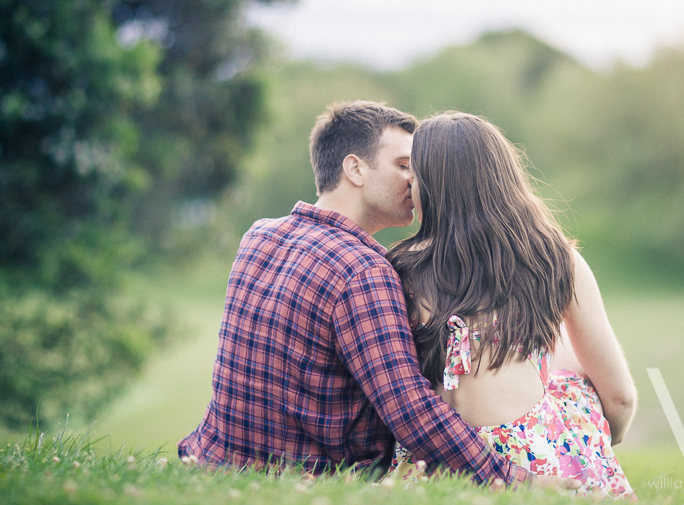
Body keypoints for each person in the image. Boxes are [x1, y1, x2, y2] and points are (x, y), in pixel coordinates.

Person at [177, 101, 577, 489]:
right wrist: (514, 481)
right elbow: (410, 409)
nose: (414, 181)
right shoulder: (363, 270)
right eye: (403, 166)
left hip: (215, 461)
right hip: (311, 482)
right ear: (355, 168)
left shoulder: (260, 233)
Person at [386, 112, 637, 499]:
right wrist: (603, 439)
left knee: (563, 367)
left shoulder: (399, 270)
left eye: (415, 177)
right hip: (527, 456)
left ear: (433, 188)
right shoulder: (556, 260)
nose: (409, 187)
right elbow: (619, 398)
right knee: (572, 378)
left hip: (435, 460)